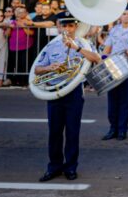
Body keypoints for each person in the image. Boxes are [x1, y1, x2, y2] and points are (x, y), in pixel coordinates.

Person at [37, 10, 102, 182]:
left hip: (73, 92)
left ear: (76, 27)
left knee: (73, 132)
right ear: (58, 27)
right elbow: (37, 68)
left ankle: (71, 167)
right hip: (55, 91)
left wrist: (77, 48)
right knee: (55, 132)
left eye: (71, 25)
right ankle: (54, 167)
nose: (67, 28)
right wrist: (49, 68)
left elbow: (97, 59)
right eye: (64, 25)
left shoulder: (83, 43)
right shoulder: (51, 46)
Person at [101, 4, 128, 141]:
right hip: (113, 67)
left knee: (125, 100)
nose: (126, 16)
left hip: (127, 66)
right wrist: (102, 60)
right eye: (124, 13)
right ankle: (112, 128)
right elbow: (107, 48)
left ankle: (122, 129)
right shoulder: (114, 30)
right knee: (112, 99)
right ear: (120, 15)